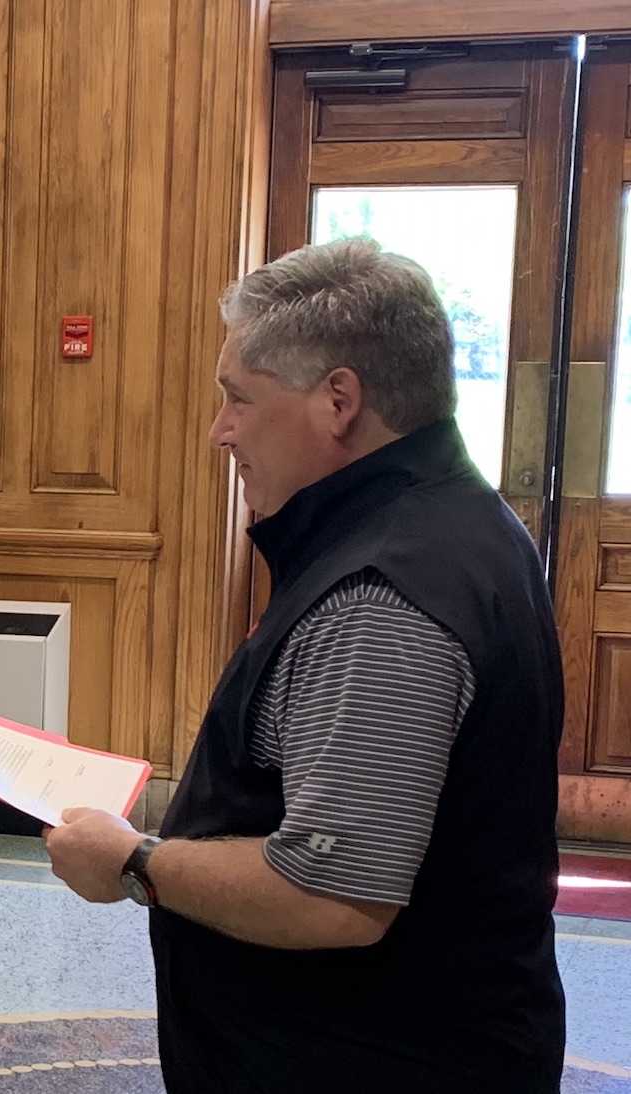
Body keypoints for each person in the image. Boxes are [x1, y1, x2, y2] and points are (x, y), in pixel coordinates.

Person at [44, 237, 566, 1091]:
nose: (221, 432)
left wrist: (135, 860)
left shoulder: (383, 594)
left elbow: (334, 896)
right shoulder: (455, 521)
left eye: (238, 400)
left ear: (338, 401)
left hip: (363, 1057)